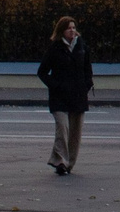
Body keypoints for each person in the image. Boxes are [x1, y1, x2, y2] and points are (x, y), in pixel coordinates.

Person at [37, 15, 93, 176]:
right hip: (59, 97)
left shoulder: (82, 47)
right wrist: (55, 85)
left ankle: (69, 163)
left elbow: (88, 69)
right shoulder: (55, 48)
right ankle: (61, 161)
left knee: (75, 133)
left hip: (78, 96)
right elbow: (42, 72)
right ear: (62, 31)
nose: (72, 30)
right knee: (62, 128)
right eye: (69, 28)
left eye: (74, 28)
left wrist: (86, 85)